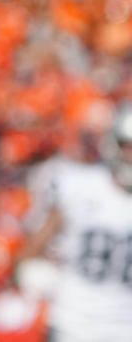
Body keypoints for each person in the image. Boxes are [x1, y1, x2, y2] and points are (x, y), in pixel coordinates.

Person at [14, 101, 132, 342]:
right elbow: (30, 251)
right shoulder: (79, 186)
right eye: (129, 147)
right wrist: (38, 274)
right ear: (115, 145)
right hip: (75, 322)